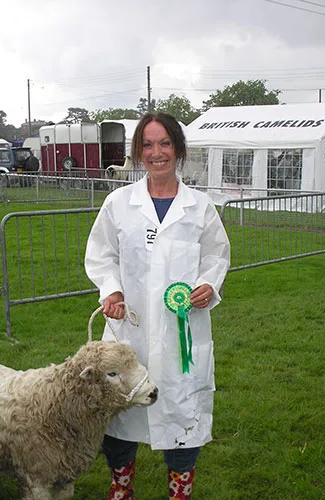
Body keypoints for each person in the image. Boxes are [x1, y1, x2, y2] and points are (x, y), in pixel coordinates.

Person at [85, 112, 230, 499]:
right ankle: (121, 490)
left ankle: (179, 492)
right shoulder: (119, 204)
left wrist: (205, 286)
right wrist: (111, 291)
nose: (156, 153)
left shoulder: (199, 208)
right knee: (120, 420)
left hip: (181, 336)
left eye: (164, 143)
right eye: (147, 145)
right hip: (129, 332)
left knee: (182, 416)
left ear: (178, 149)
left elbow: (216, 258)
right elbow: (102, 255)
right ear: (138, 152)